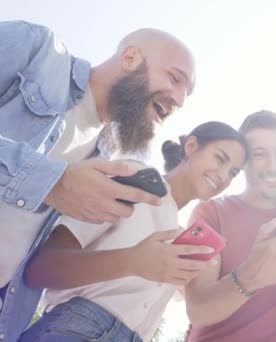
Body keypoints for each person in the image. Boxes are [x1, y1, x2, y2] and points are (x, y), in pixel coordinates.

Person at [0, 21, 196, 340]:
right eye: (175, 78)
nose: (180, 99)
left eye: (187, 93)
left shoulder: (101, 160)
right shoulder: (37, 49)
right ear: (130, 57)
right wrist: (52, 182)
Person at [19, 121, 246, 342]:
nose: (223, 176)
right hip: (79, 327)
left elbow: (202, 306)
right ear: (192, 146)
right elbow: (40, 268)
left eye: (233, 173)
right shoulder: (134, 178)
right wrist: (132, 261)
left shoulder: (179, 237)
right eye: (220, 158)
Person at [184, 110, 276, 342]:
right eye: (260, 154)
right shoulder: (210, 213)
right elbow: (198, 310)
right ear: (244, 161)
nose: (272, 166)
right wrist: (251, 275)